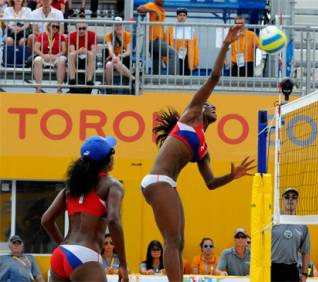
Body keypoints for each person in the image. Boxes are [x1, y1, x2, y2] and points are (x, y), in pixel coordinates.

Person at [140, 24, 252, 282]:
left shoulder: (203, 148)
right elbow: (214, 77)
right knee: (171, 240)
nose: (213, 107)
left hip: (168, 184)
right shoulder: (191, 115)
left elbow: (211, 183)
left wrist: (232, 176)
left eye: (214, 106)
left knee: (179, 242)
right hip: (158, 181)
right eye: (209, 104)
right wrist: (226, 44)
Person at [41, 135, 129, 282]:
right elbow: (113, 221)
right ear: (108, 160)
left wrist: (64, 246)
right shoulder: (112, 185)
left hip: (60, 254)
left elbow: (46, 220)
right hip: (86, 255)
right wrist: (123, 264)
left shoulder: (70, 187)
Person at [271, 188, 310, 282]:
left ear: (297, 201)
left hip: (291, 270)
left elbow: (306, 252)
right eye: (287, 197)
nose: (290, 199)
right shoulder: (272, 219)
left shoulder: (302, 224)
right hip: (272, 268)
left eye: (294, 197)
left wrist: (304, 274)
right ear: (281, 200)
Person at [137, 0, 179, 75]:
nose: (162, 0)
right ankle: (173, 79)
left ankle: (155, 81)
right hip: (153, 40)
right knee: (173, 53)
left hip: (159, 39)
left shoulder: (162, 10)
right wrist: (153, 10)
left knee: (157, 61)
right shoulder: (151, 5)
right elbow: (139, 9)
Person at [32, 22, 67, 93]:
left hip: (57, 56)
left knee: (61, 61)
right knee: (37, 60)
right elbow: (36, 49)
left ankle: (59, 89)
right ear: (48, 26)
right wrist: (43, 55)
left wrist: (55, 56)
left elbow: (64, 50)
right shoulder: (41, 35)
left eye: (57, 27)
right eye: (53, 26)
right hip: (44, 56)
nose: (55, 28)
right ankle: (38, 89)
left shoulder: (61, 36)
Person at [164, 7, 199, 75]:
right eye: (180, 15)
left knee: (186, 76)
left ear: (186, 17)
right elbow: (166, 43)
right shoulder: (170, 29)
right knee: (174, 74)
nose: (182, 17)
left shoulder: (190, 29)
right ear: (176, 17)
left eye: (184, 15)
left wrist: (195, 60)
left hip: (186, 56)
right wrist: (165, 59)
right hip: (174, 55)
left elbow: (195, 46)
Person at [104, 16, 135, 91]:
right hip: (113, 57)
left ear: (123, 25)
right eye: (116, 25)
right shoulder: (109, 36)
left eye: (120, 25)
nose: (118, 27)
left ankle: (133, 79)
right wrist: (114, 57)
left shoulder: (128, 35)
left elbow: (128, 51)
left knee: (116, 62)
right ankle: (109, 88)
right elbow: (110, 49)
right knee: (108, 65)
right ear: (113, 26)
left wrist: (119, 56)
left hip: (124, 57)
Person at [68, 19, 97, 91]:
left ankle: (89, 81)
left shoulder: (92, 34)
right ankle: (72, 79)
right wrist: (79, 51)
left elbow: (93, 51)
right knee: (71, 55)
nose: (81, 30)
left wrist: (85, 51)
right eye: (79, 28)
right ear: (76, 29)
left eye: (84, 28)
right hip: (77, 58)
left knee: (91, 55)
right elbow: (72, 51)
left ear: (87, 28)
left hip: (88, 57)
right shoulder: (72, 35)